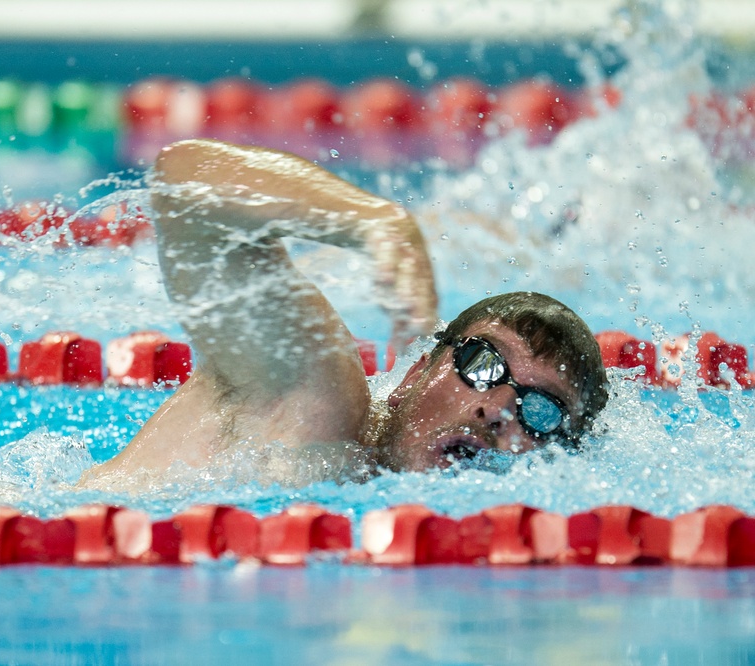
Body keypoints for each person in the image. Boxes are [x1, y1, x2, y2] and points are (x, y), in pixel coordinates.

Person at [79, 139, 608, 487]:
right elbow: (183, 180)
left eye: (542, 411)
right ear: (414, 374)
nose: (499, 408)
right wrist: (375, 221)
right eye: (484, 367)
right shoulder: (317, 393)